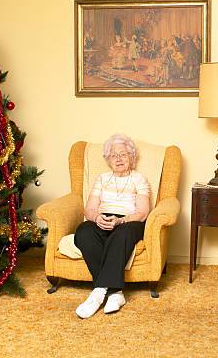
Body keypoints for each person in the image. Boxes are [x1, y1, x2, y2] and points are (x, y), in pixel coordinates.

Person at [74, 134, 150, 319]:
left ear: (131, 157)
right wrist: (97, 217)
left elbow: (143, 212)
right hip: (103, 218)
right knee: (83, 232)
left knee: (120, 235)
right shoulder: (102, 178)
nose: (118, 159)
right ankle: (116, 293)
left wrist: (120, 220)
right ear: (108, 160)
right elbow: (89, 209)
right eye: (113, 155)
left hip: (129, 221)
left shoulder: (139, 179)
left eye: (123, 154)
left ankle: (98, 292)